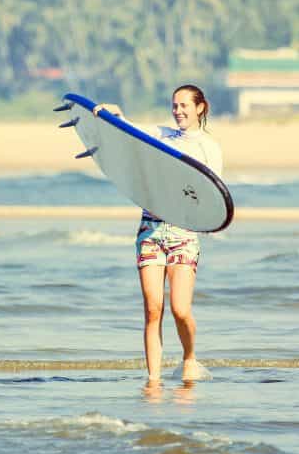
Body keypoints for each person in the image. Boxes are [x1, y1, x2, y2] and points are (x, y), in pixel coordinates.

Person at [92, 85, 223, 383]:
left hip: (183, 232)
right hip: (150, 230)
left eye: (184, 105)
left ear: (200, 107)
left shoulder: (209, 147)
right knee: (153, 309)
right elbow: (130, 131)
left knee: (180, 309)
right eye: (174, 105)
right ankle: (153, 379)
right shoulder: (162, 135)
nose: (177, 110)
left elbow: (214, 194)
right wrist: (115, 113)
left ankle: (189, 357)